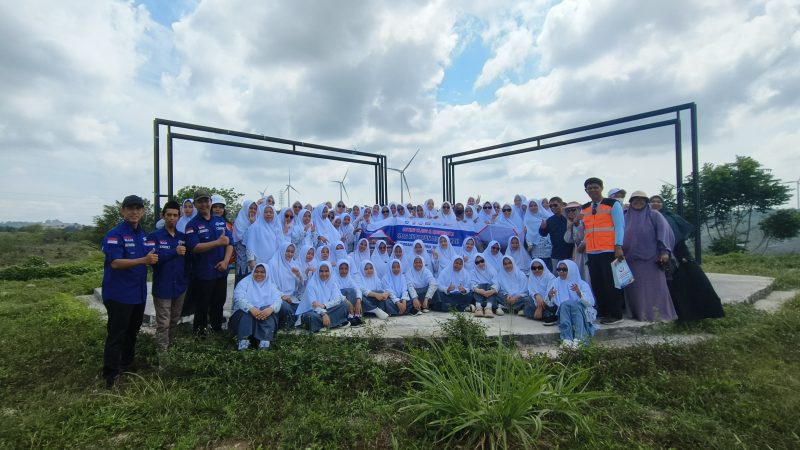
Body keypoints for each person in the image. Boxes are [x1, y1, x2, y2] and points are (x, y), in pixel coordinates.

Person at [100, 195, 158, 388]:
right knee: (117, 333)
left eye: (138, 208)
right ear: (122, 211)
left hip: (138, 294)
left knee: (133, 331)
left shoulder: (142, 235)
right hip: (119, 295)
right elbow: (115, 263)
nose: (134, 212)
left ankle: (127, 363)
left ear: (142, 212)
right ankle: (111, 374)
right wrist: (143, 261)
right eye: (130, 208)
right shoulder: (115, 235)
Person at [649, 195, 724, 321]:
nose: (656, 204)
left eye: (659, 201)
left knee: (689, 280)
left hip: (679, 252)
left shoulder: (671, 217)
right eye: (653, 201)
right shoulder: (647, 218)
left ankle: (698, 312)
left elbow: (679, 234)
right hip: (657, 254)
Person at [622, 191, 678, 322]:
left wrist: (664, 252)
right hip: (630, 260)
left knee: (655, 288)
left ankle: (658, 315)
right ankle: (638, 314)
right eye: (635, 199)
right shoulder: (625, 215)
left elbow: (664, 233)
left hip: (652, 259)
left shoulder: (654, 215)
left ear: (646, 202)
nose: (638, 202)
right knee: (634, 289)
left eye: (642, 200)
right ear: (630, 202)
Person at [185, 191, 234, 334]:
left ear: (210, 202)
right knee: (202, 305)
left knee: (219, 303)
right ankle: (200, 335)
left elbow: (230, 243)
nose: (204, 204)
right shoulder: (192, 225)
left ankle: (217, 332)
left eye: (206, 201)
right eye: (200, 202)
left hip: (221, 271)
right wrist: (218, 242)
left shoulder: (220, 221)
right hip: (203, 273)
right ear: (195, 205)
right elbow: (195, 248)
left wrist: (226, 261)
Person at [581, 177, 626, 325]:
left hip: (608, 250)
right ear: (586, 190)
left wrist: (618, 246)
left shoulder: (612, 204)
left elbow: (619, 226)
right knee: (597, 283)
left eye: (595, 187)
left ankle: (615, 314)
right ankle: (603, 311)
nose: (592, 190)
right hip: (592, 251)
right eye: (589, 188)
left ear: (601, 188)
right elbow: (587, 229)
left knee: (611, 283)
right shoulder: (585, 208)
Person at [147, 200, 188, 352]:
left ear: (179, 217)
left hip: (180, 287)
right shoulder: (153, 237)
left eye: (175, 215)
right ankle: (162, 358)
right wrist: (174, 252)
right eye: (169, 215)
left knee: (174, 321)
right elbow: (154, 259)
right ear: (163, 216)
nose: (172, 218)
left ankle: (171, 351)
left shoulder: (183, 237)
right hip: (162, 287)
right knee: (163, 324)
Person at [229, 263, 282, 351]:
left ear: (267, 273)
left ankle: (264, 342)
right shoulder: (244, 283)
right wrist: (251, 308)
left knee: (266, 312)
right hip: (243, 316)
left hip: (263, 316)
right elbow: (238, 298)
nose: (259, 274)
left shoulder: (271, 285)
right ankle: (244, 341)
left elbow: (278, 300)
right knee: (246, 313)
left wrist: (270, 309)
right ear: (253, 272)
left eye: (262, 272)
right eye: (256, 272)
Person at [546, 260, 597, 348]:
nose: (561, 272)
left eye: (564, 269)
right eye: (559, 269)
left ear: (571, 270)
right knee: (565, 304)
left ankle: (579, 339)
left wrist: (579, 293)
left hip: (580, 312)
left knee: (572, 304)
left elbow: (591, 302)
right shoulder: (556, 282)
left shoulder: (581, 283)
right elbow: (549, 303)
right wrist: (550, 296)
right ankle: (567, 339)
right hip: (564, 312)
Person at [295, 262, 350, 332]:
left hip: (326, 309)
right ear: (318, 271)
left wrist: (324, 306)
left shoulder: (332, 283)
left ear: (330, 271)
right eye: (321, 271)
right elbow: (313, 305)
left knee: (344, 305)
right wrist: (323, 313)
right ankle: (336, 322)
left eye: (326, 271)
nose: (324, 274)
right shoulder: (311, 285)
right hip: (312, 311)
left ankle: (322, 325)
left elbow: (337, 300)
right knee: (310, 317)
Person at [268, 242, 304, 330]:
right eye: (287, 251)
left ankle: (289, 322)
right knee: (287, 309)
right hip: (276, 296)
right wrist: (282, 295)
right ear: (282, 251)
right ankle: (285, 324)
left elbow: (299, 287)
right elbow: (269, 285)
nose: (290, 254)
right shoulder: (273, 264)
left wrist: (298, 275)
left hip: (291, 297)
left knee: (303, 307)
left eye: (292, 252)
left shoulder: (293, 264)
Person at [539, 197, 572, 270]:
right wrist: (542, 228)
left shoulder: (569, 218)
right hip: (556, 254)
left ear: (562, 205)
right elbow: (543, 234)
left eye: (555, 205)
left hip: (570, 253)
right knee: (557, 276)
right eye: (550, 206)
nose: (553, 207)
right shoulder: (550, 220)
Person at [245, 204, 280, 269]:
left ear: (274, 214)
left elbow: (279, 246)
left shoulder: (277, 229)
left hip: (274, 262)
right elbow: (250, 245)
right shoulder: (255, 227)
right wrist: (251, 260)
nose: (268, 214)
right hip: (258, 262)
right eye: (266, 212)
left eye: (271, 212)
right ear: (262, 214)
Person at [563, 201, 590, 282]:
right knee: (581, 275)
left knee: (588, 275)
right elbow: (567, 240)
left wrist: (583, 243)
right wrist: (570, 227)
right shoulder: (571, 223)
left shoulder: (586, 220)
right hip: (578, 254)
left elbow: (588, 235)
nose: (571, 212)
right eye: (568, 211)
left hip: (588, 251)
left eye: (573, 210)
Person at [469, 254, 504, 318]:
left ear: (485, 260)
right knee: (477, 287)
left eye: (482, 261)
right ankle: (478, 308)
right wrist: (478, 290)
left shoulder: (491, 269)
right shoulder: (473, 272)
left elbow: (497, 282)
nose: (480, 263)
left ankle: (488, 308)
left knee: (491, 287)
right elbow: (472, 282)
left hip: (489, 292)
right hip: (479, 293)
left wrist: (492, 291)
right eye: (477, 262)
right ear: (475, 263)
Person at [233, 199, 257, 285]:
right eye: (251, 208)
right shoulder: (239, 222)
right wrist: (252, 225)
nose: (253, 210)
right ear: (246, 208)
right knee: (241, 283)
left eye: (255, 209)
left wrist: (253, 224)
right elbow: (243, 239)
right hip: (242, 260)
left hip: (254, 259)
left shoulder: (256, 221)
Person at [333, 258, 364, 326]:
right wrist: (348, 302)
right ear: (338, 269)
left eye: (346, 269)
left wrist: (358, 300)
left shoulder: (349, 278)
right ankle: (349, 315)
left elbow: (357, 289)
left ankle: (353, 315)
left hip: (349, 303)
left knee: (353, 291)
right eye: (341, 269)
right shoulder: (333, 279)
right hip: (339, 302)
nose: (344, 271)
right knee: (347, 291)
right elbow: (336, 293)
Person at [527, 258, 558, 324]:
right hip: (536, 301)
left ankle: (544, 315)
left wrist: (540, 307)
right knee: (528, 301)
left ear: (544, 267)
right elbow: (531, 291)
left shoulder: (551, 277)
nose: (537, 270)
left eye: (539, 267)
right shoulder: (531, 277)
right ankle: (548, 316)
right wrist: (536, 295)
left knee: (553, 306)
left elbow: (551, 295)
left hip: (549, 302)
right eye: (534, 268)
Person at [523, 198, 553, 269]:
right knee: (538, 268)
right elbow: (527, 234)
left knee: (549, 269)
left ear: (539, 206)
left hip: (548, 247)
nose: (533, 207)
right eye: (531, 206)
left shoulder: (547, 216)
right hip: (535, 248)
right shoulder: (527, 219)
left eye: (535, 205)